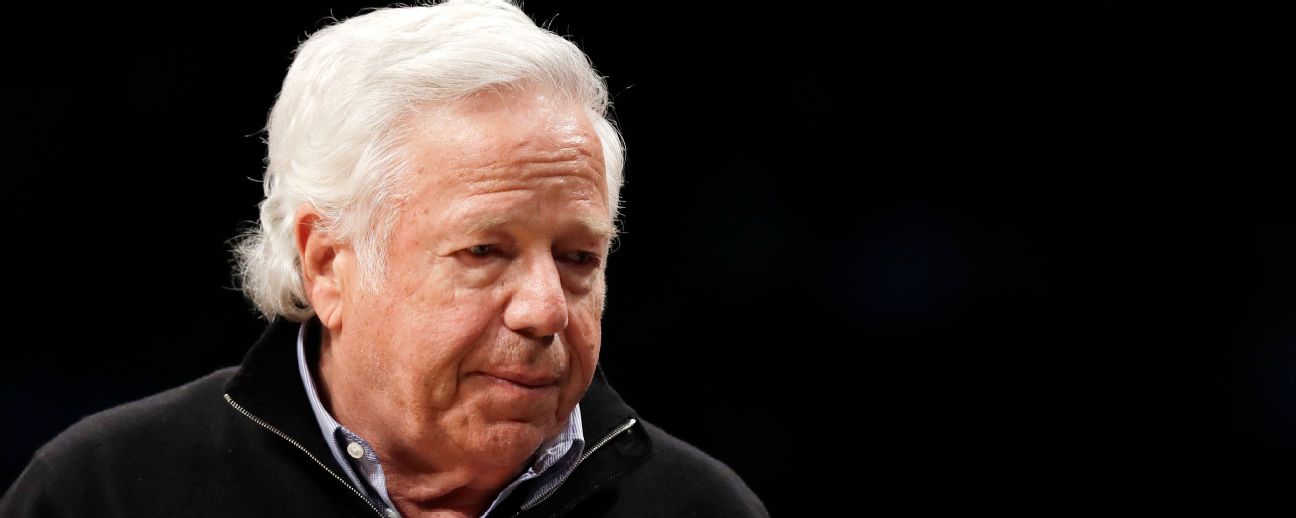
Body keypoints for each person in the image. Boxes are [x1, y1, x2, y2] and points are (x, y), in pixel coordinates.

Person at [1, 1, 768, 516]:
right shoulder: (102, 493)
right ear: (326, 264)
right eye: (484, 250)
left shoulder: (700, 507)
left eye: (577, 257)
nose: (545, 310)